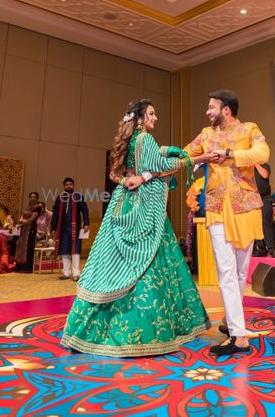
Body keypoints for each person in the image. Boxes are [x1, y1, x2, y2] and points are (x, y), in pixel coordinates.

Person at [62, 98, 211, 357]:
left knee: (112, 262)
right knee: (149, 260)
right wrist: (197, 159)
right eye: (152, 114)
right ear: (141, 118)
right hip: (144, 208)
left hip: (123, 202)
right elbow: (161, 167)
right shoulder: (144, 139)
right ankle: (144, 330)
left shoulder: (129, 142)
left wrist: (139, 172)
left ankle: (87, 329)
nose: (156, 118)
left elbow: (116, 175)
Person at [185, 89, 270, 357]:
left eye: (211, 107)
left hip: (245, 206)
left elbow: (263, 152)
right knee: (226, 270)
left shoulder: (249, 129)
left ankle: (231, 323)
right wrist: (201, 158)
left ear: (226, 110)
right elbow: (185, 154)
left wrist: (230, 153)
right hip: (217, 207)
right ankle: (239, 336)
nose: (207, 111)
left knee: (240, 274)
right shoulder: (206, 135)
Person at [50, 179, 89, 281]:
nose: (68, 186)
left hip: (75, 227)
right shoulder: (59, 198)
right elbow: (55, 214)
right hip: (62, 228)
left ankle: (76, 273)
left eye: (70, 184)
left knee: (75, 250)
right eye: (66, 185)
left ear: (73, 185)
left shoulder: (78, 196)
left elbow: (85, 210)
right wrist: (53, 227)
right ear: (63, 186)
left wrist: (86, 223)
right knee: (64, 250)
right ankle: (66, 273)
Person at [253, 163, 275, 258]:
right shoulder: (247, 167)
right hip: (252, 198)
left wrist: (255, 163)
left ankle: (272, 248)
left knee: (267, 223)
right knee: (257, 224)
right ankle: (261, 249)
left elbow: (265, 175)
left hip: (265, 198)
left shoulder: (264, 165)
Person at [15, 192, 43, 273]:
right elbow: (22, 217)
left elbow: (33, 218)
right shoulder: (28, 207)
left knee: (28, 247)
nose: (32, 198)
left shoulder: (38, 207)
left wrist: (25, 221)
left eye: (34, 197)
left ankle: (26, 268)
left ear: (37, 198)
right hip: (24, 229)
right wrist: (20, 223)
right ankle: (19, 267)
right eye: (31, 197)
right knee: (21, 246)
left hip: (31, 229)